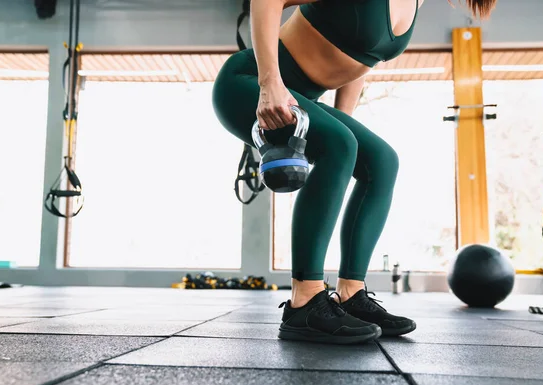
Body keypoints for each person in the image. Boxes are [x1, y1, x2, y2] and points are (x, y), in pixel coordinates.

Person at [212, 0, 497, 344]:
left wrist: (342, 126)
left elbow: (362, 59)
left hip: (304, 99)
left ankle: (351, 295)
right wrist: (269, 83)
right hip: (247, 84)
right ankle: (304, 301)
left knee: (381, 161)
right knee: (341, 145)